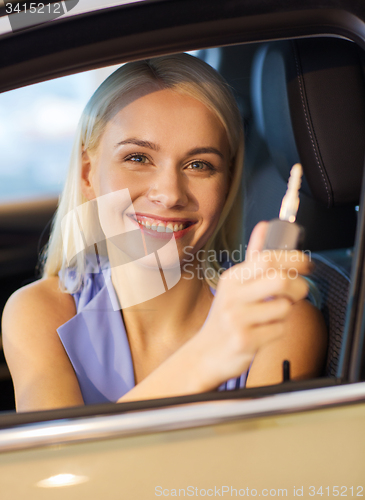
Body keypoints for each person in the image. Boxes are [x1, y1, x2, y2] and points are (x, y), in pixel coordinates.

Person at [1, 54, 327, 412]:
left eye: (199, 165)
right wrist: (207, 355)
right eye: (138, 158)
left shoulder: (277, 321)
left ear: (227, 184)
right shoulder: (39, 312)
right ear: (87, 174)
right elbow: (58, 466)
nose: (170, 193)